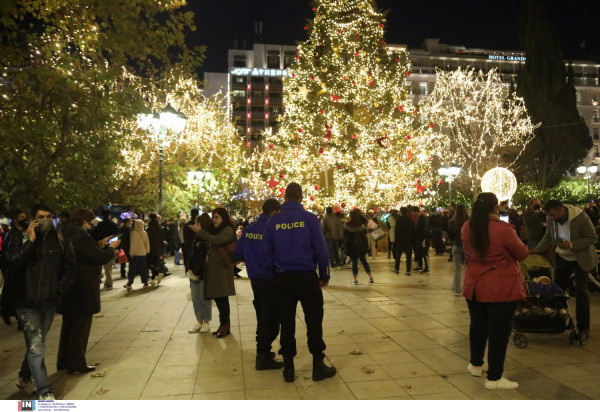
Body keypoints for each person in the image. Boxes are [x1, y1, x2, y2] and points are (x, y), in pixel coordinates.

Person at [262, 182, 336, 383]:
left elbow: (266, 253)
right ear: (301, 197)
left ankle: (288, 367)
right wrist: (325, 275)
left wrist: (271, 278)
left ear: (284, 198)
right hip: (306, 278)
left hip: (283, 279)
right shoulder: (310, 219)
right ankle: (317, 365)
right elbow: (321, 250)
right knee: (314, 321)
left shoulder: (273, 222)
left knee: (286, 322)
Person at [3, 204, 77, 400]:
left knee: (38, 343)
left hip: (49, 301)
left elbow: (70, 267)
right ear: (32, 220)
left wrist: (58, 289)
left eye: (48, 216)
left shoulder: (60, 239)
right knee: (36, 346)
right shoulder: (19, 238)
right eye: (41, 217)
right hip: (25, 302)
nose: (46, 220)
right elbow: (10, 264)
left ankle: (25, 376)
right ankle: (45, 390)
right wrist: (30, 242)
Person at [461, 193, 528, 390]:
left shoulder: (467, 227)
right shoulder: (503, 229)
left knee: (478, 327)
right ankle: (494, 378)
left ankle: (475, 365)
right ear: (495, 208)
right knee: (498, 334)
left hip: (474, 286)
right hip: (501, 288)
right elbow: (522, 253)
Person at [57, 208, 120, 375]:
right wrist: (111, 248)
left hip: (71, 288)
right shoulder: (81, 236)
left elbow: (85, 252)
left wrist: (100, 244)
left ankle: (64, 360)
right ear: (84, 221)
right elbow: (98, 258)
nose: (91, 225)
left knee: (68, 325)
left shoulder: (68, 233)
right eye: (90, 222)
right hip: (82, 287)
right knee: (81, 326)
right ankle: (77, 362)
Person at [531, 199, 598, 339]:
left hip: (580, 258)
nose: (552, 218)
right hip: (562, 258)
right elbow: (548, 236)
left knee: (581, 291)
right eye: (550, 215)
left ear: (561, 210)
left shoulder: (580, 217)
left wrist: (572, 244)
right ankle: (559, 321)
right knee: (558, 290)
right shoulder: (550, 218)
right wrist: (536, 250)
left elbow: (592, 238)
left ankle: (583, 327)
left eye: (554, 215)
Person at [234, 199, 284, 370]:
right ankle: (262, 355)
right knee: (270, 318)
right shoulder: (273, 229)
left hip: (256, 279)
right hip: (271, 279)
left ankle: (263, 350)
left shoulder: (250, 229)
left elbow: (239, 252)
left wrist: (252, 260)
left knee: (262, 314)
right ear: (274, 212)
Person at [191, 207, 237, 338]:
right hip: (215, 269)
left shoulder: (227, 230)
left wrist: (200, 231)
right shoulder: (216, 230)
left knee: (222, 298)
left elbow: (216, 240)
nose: (214, 220)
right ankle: (223, 325)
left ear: (223, 218)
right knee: (219, 298)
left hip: (222, 269)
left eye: (217, 217)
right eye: (214, 217)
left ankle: (225, 326)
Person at [0, 209, 28, 327]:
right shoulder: (11, 235)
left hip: (24, 268)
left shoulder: (26, 232)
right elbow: (8, 255)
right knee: (18, 297)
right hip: (15, 270)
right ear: (15, 220)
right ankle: (17, 318)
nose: (24, 219)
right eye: (21, 217)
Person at [187, 214, 213, 334]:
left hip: (203, 273)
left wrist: (195, 270)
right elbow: (191, 254)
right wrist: (189, 268)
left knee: (204, 298)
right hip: (193, 273)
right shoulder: (196, 238)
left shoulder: (208, 238)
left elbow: (205, 258)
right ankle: (199, 321)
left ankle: (206, 322)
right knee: (196, 298)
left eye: (197, 223)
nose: (195, 225)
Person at [343, 209, 373, 285]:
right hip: (361, 245)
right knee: (364, 261)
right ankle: (370, 277)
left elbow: (344, 235)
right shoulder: (362, 224)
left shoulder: (347, 225)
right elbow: (365, 233)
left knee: (354, 262)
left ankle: (355, 279)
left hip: (352, 245)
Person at [91, 209, 118, 290]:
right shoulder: (113, 225)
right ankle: (109, 282)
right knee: (109, 265)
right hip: (112, 245)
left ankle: (108, 282)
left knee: (107, 265)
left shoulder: (100, 225)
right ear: (109, 215)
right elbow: (116, 235)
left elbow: (94, 235)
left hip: (102, 246)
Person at [448, 205, 469, 296]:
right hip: (467, 247)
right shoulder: (468, 222)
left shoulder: (452, 222)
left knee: (457, 269)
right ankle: (468, 288)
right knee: (468, 269)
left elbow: (450, 236)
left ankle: (457, 290)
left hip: (456, 246)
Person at [125, 219, 150, 289]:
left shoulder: (133, 233)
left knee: (132, 269)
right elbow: (147, 243)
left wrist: (131, 253)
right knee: (143, 269)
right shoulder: (145, 232)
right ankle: (145, 282)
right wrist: (147, 251)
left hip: (135, 253)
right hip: (143, 253)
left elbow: (132, 244)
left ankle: (130, 283)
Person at [393, 207, 415, 276]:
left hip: (400, 240)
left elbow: (396, 231)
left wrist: (396, 241)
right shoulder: (410, 220)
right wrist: (412, 240)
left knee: (398, 256)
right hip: (408, 240)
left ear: (401, 212)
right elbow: (413, 231)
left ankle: (397, 269)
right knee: (408, 256)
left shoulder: (399, 220)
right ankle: (408, 270)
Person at [414, 207, 430, 273]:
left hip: (423, 238)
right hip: (419, 238)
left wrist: (424, 238)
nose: (413, 214)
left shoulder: (422, 218)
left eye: (413, 212)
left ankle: (427, 267)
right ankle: (420, 265)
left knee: (424, 253)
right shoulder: (419, 218)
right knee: (419, 252)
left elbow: (425, 229)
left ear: (417, 211)